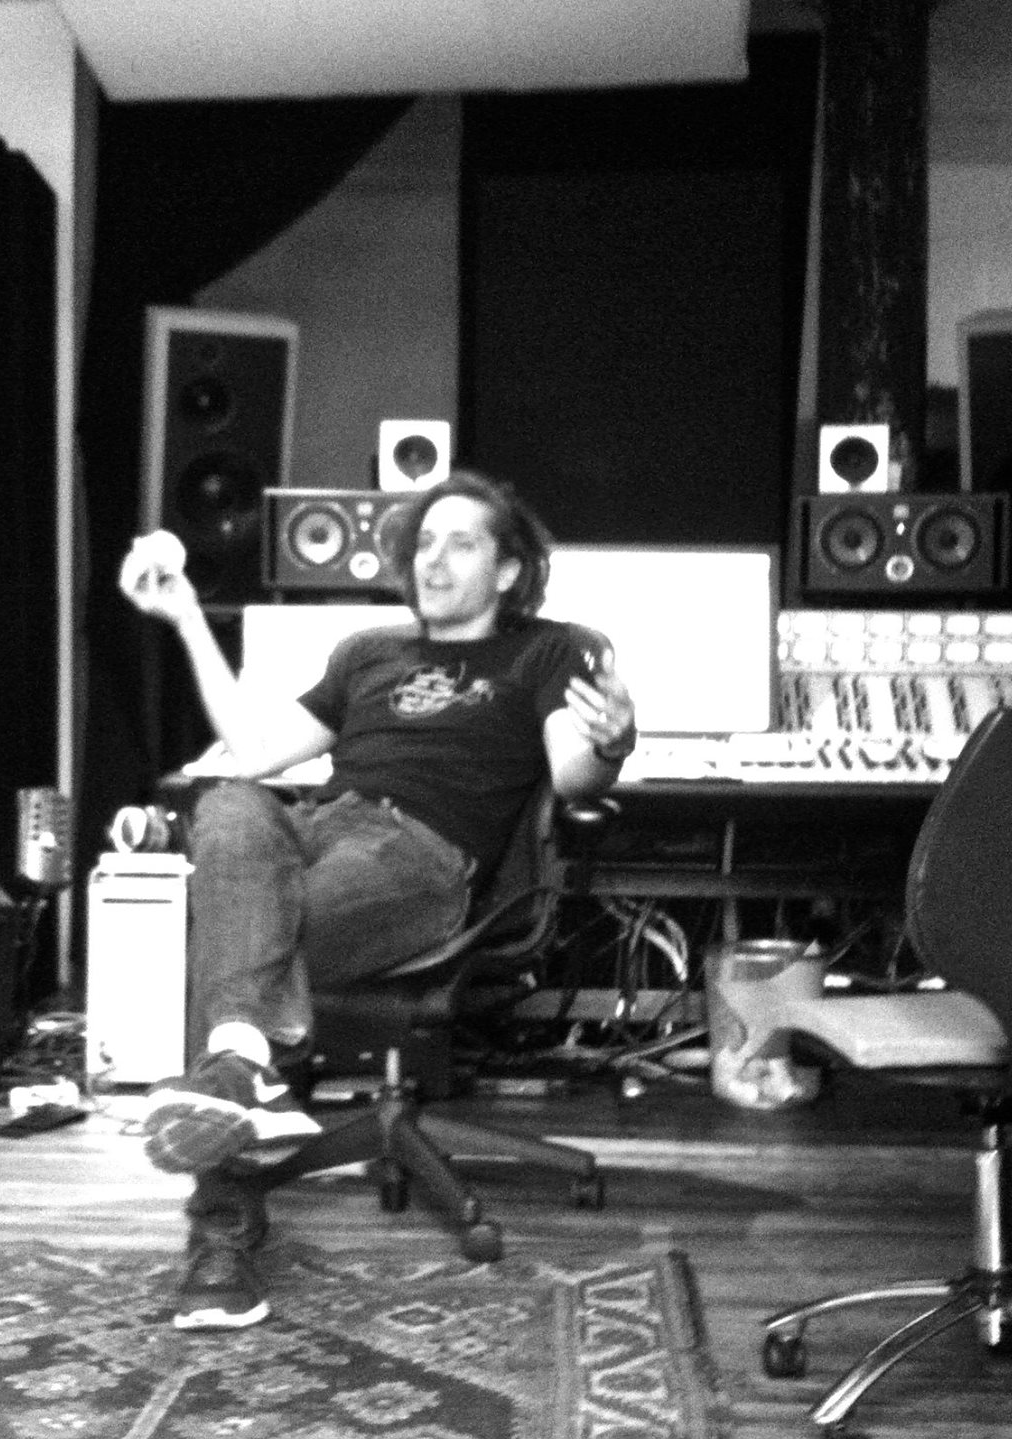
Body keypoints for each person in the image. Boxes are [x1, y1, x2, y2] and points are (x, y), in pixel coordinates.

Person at [117, 468, 637, 1328]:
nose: (433, 560)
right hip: (321, 825)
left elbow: (572, 772)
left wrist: (611, 744)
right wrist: (186, 618)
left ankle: (221, 1231)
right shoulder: (367, 652)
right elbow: (253, 750)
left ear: (508, 569)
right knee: (230, 802)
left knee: (234, 941)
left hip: (422, 857)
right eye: (424, 542)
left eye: (460, 543)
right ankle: (241, 1066)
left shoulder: (551, 651)